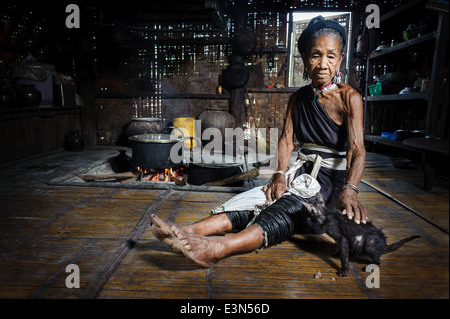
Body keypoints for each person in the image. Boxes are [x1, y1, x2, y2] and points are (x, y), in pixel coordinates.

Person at [150, 16, 368, 267]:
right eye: (316, 55)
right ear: (306, 59)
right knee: (256, 197)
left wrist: (350, 190)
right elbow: (286, 141)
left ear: (340, 59)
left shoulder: (350, 98)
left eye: (331, 56)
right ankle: (187, 230)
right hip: (302, 174)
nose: (322, 63)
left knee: (284, 207)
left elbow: (357, 149)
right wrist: (278, 175)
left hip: (330, 185)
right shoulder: (298, 98)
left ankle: (221, 248)